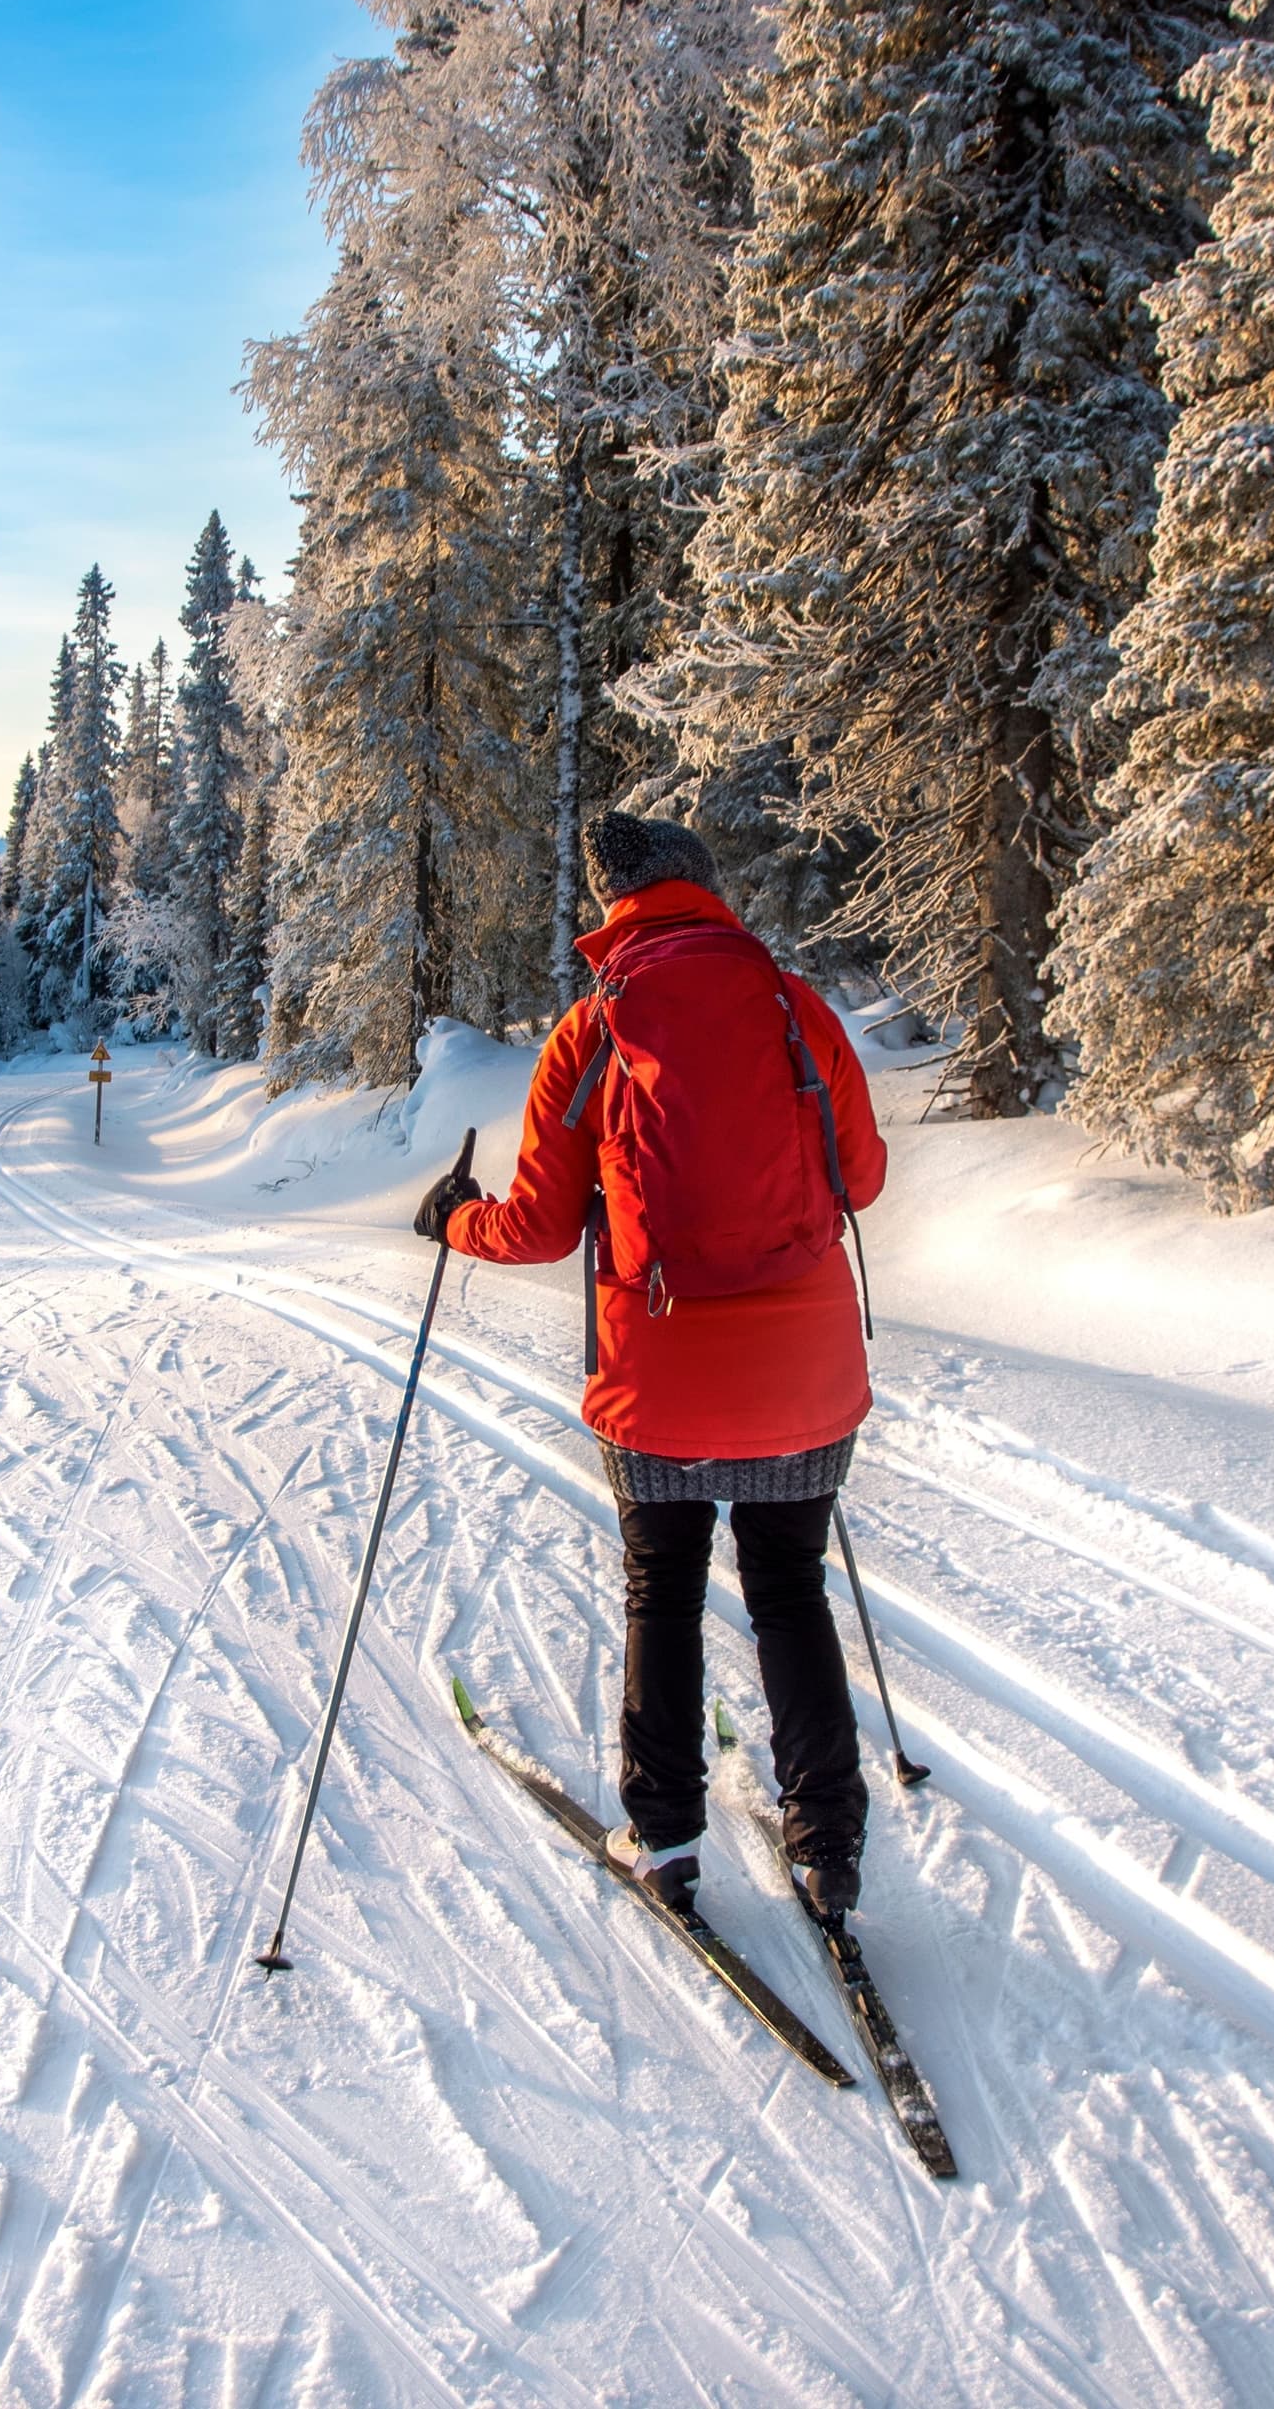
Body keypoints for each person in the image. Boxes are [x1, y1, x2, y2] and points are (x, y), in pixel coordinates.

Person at [413, 812, 889, 1927]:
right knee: (790, 1588)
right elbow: (860, 1181)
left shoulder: (591, 1032)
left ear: (612, 906)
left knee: (662, 1590)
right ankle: (828, 1844)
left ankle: (666, 1837)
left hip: (656, 1380)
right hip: (805, 1379)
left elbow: (537, 1228)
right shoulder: (796, 1007)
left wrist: (455, 1219)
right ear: (705, 890)